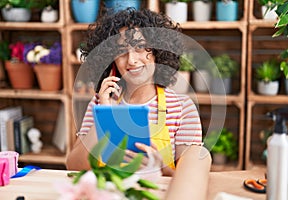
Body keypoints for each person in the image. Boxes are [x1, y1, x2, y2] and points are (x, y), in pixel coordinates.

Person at [66, 8, 211, 183]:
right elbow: (73, 165)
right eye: (121, 51)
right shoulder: (99, 103)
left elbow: (189, 179)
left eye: (140, 47)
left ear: (158, 52)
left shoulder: (182, 108)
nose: (132, 60)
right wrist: (105, 113)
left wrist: (159, 167)